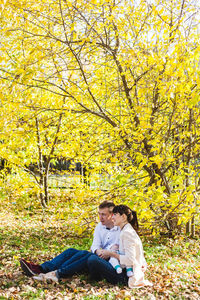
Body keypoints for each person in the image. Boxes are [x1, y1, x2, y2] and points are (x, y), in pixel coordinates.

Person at [20, 201, 127, 284]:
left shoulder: (121, 229)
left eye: (103, 214)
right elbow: (94, 246)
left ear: (112, 215)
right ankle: (41, 269)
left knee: (88, 255)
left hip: (109, 264)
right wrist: (99, 251)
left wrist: (106, 253)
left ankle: (57, 273)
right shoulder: (99, 226)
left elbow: (119, 252)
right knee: (71, 251)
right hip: (98, 257)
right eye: (99, 214)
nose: (100, 217)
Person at [91, 204, 152, 288]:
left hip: (126, 276)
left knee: (93, 259)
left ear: (123, 217)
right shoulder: (125, 230)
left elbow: (130, 260)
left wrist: (111, 254)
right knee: (90, 257)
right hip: (122, 269)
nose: (112, 218)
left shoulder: (127, 233)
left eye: (115, 215)